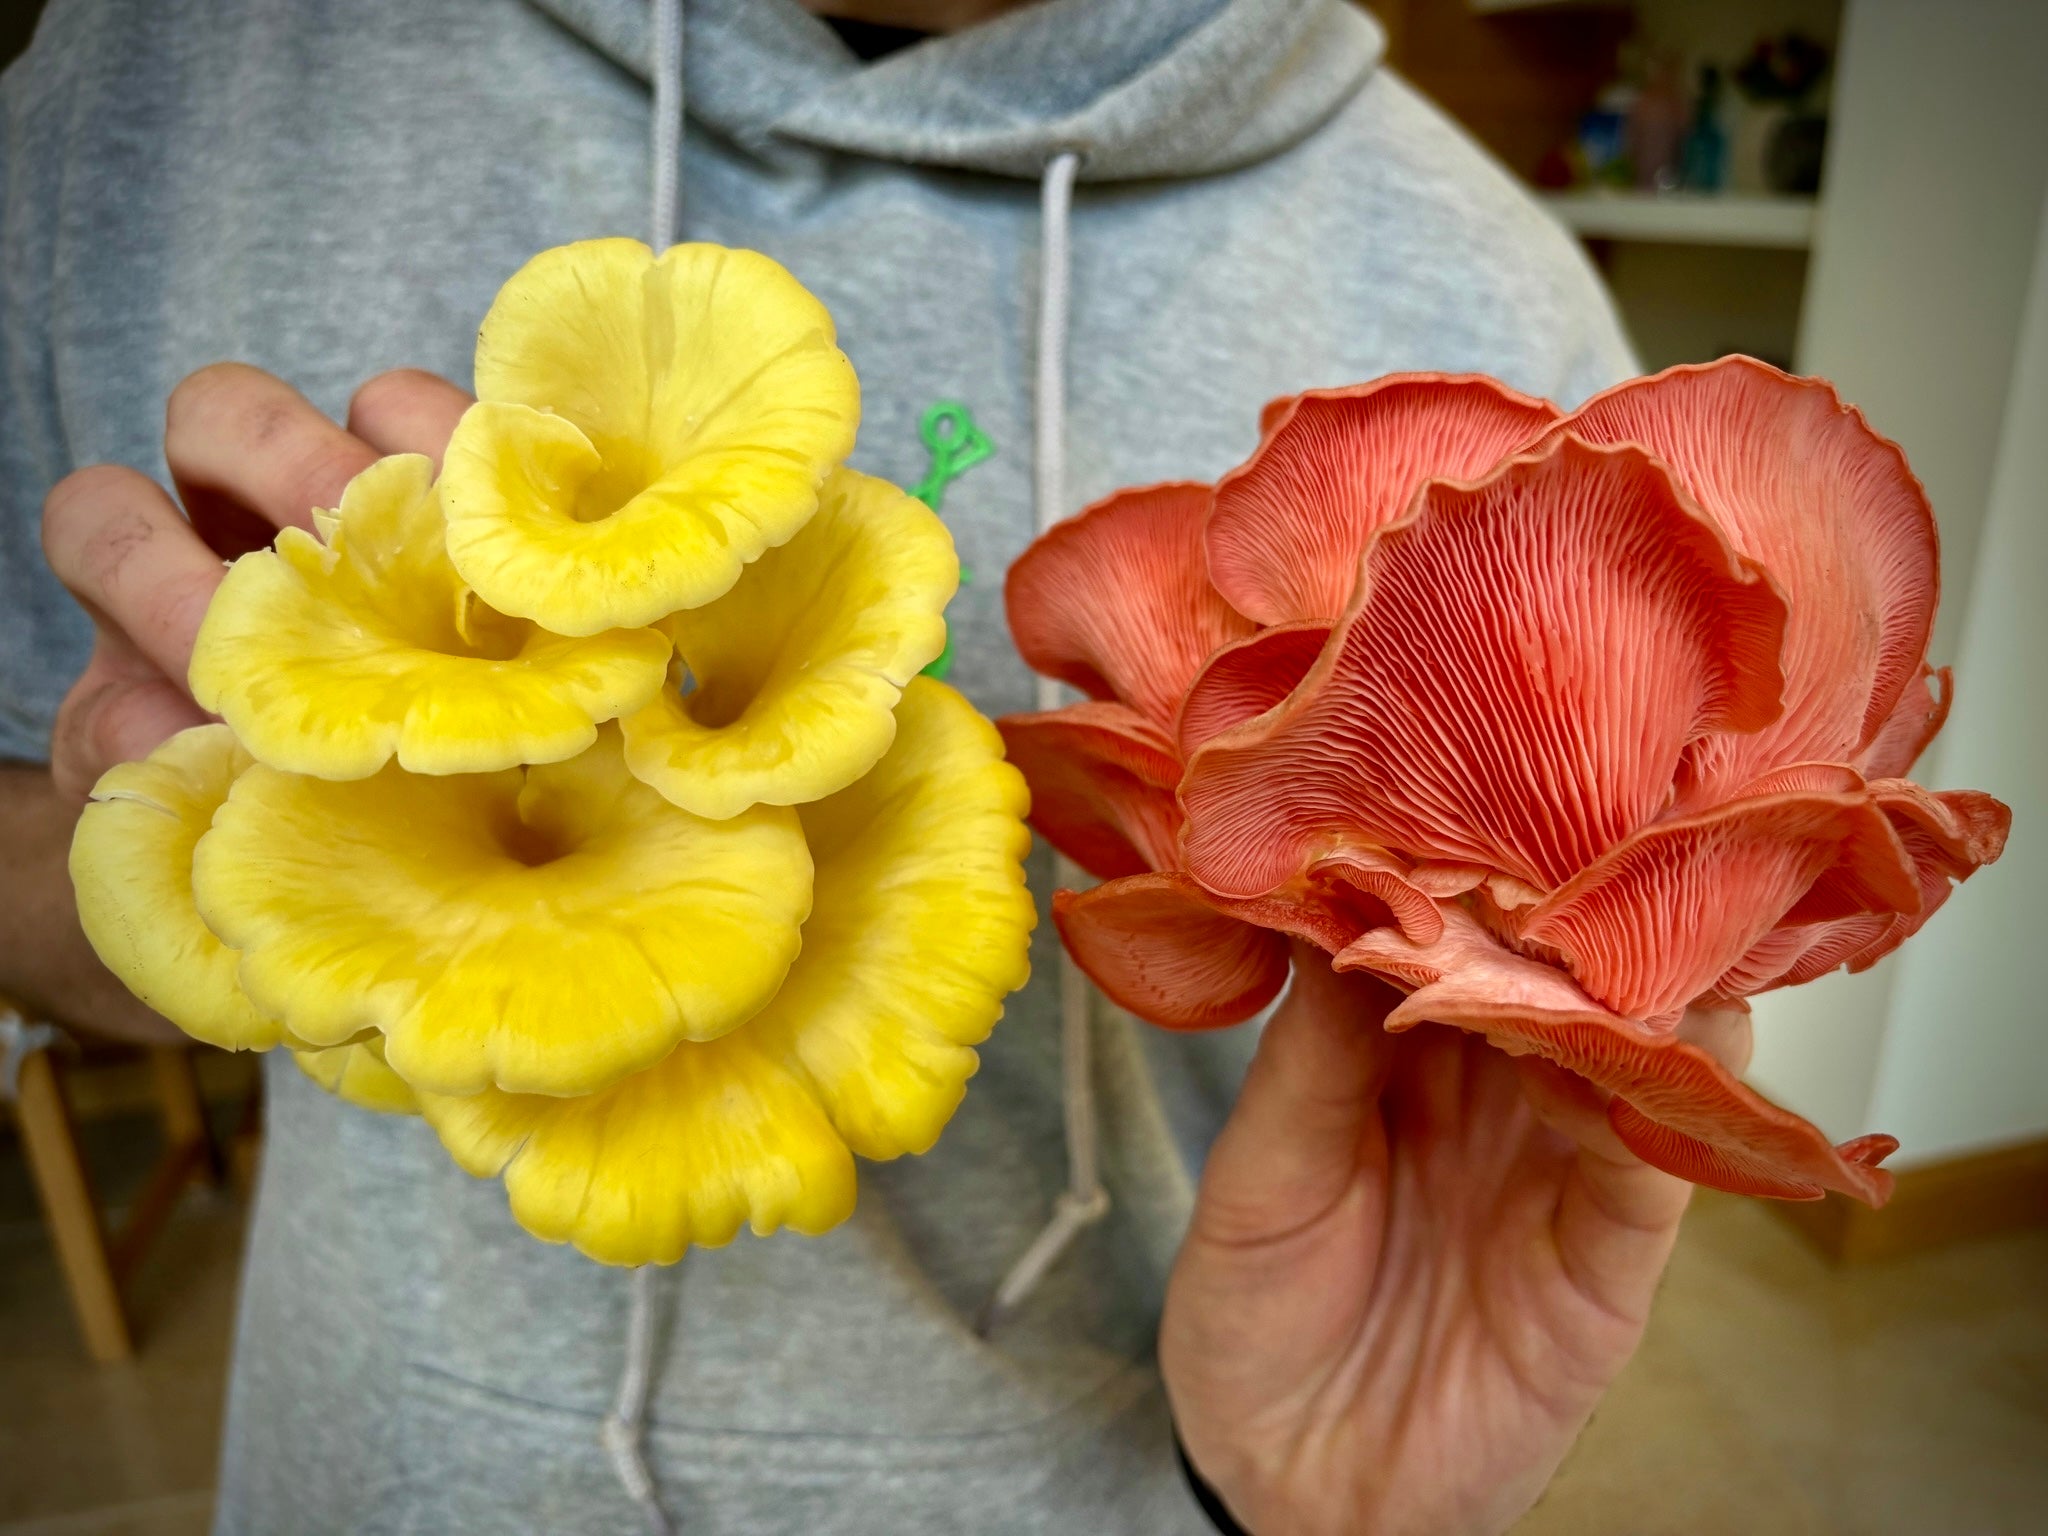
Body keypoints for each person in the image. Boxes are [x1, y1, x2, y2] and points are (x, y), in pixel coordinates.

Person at [0, 0, 1736, 1530]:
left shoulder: (1482, 289)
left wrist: (1304, 1509)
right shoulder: (168, 77)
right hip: (385, 1479)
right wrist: (152, 904)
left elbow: (1519, 1061)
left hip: (1161, 1477)